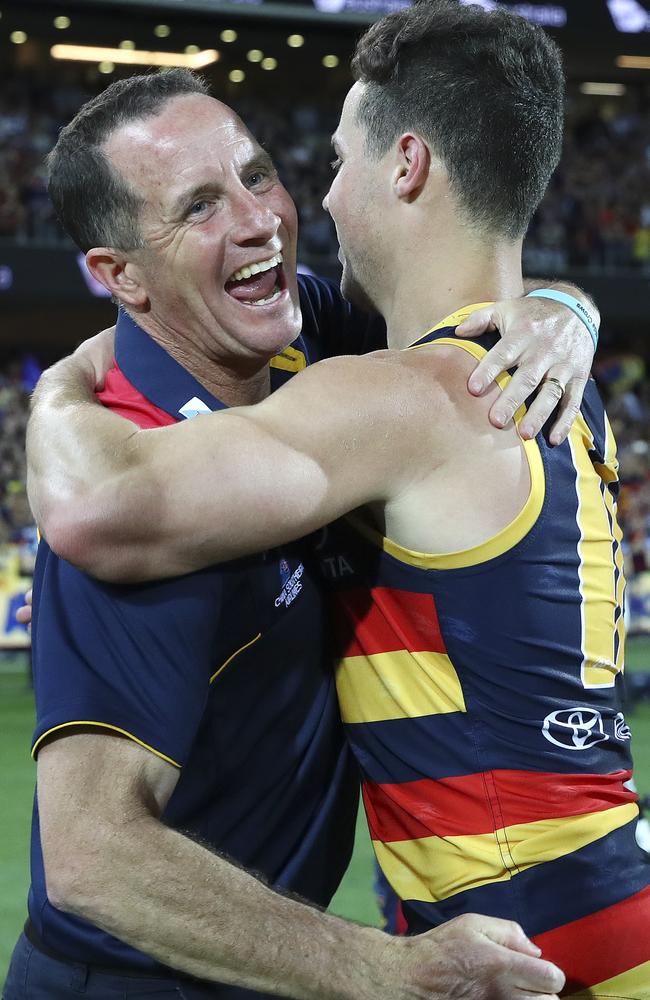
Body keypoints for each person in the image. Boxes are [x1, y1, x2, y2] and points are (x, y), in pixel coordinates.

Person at [24, 3, 648, 996]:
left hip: (515, 936)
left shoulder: (397, 388)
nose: (294, 208)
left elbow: (104, 502)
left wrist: (56, 391)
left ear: (403, 166)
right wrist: (566, 306)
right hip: (578, 903)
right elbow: (93, 853)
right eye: (198, 204)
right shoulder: (536, 379)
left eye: (321, 166)